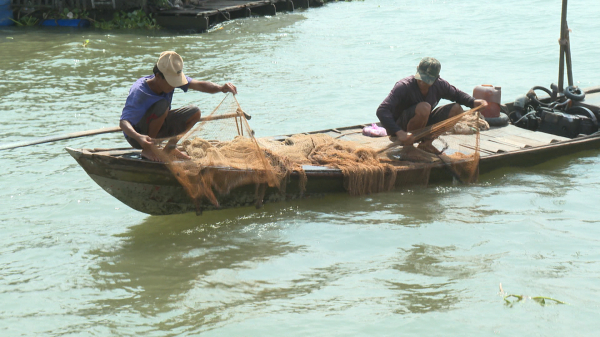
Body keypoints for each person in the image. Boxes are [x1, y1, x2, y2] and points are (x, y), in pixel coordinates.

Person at [119, 51, 237, 161]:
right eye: (171, 83)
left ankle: (170, 148)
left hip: (158, 127)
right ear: (158, 76)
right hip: (138, 137)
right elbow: (124, 122)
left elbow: (200, 85)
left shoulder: (170, 81)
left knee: (195, 112)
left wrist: (221, 88)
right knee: (162, 105)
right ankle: (148, 150)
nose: (173, 86)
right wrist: (139, 137)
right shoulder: (139, 91)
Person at [376, 57, 487, 154]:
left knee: (456, 109)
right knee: (424, 107)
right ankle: (408, 148)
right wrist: (399, 132)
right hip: (401, 129)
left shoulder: (440, 85)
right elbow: (382, 110)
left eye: (427, 80)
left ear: (437, 78)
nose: (422, 82)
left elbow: (457, 95)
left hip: (423, 125)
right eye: (421, 78)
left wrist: (474, 102)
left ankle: (426, 144)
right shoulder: (403, 86)